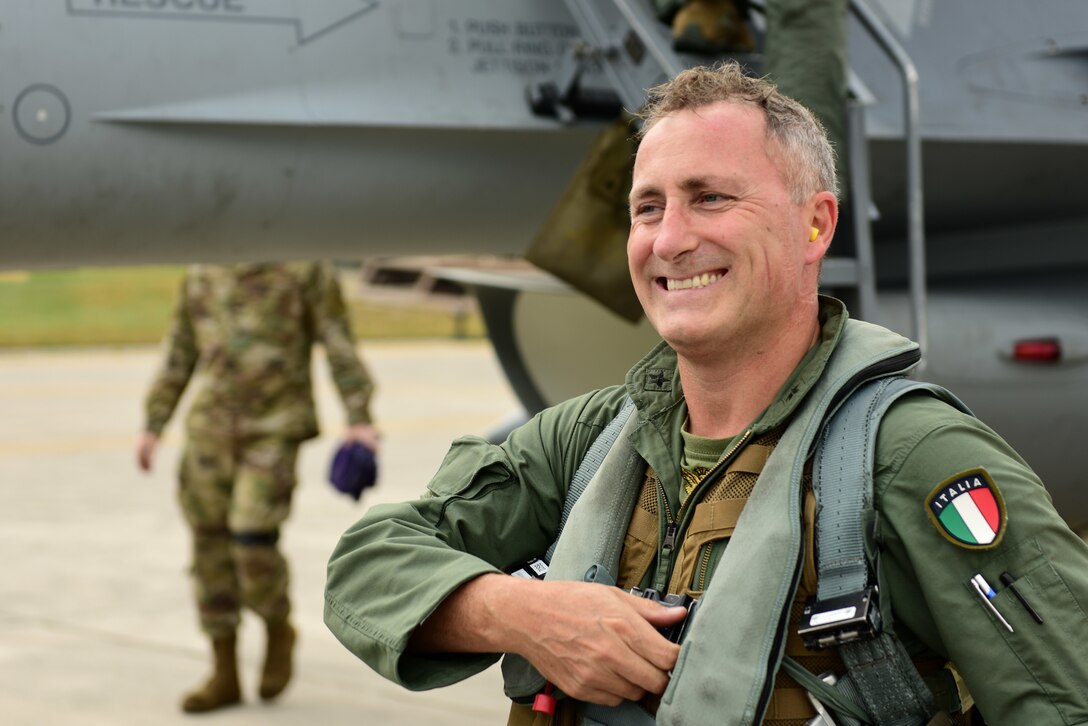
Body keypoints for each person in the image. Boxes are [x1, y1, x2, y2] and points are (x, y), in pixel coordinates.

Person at [323, 62, 1088, 724]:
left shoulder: (911, 458)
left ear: (815, 225)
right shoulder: (585, 442)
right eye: (647, 207)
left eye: (711, 198)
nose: (669, 239)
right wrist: (527, 614)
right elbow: (367, 563)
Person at [137, 261, 378, 714]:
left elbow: (338, 340)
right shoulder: (201, 270)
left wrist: (359, 416)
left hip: (274, 428)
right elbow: (180, 350)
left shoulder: (305, 268)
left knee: (251, 539)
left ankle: (276, 627)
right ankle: (223, 670)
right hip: (209, 431)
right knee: (208, 547)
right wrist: (153, 423)